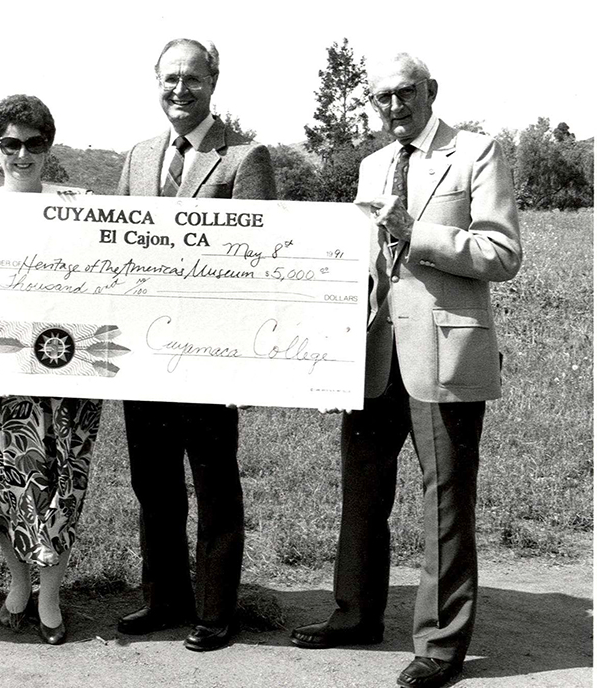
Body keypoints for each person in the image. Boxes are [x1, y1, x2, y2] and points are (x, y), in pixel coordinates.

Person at [289, 53, 522, 688]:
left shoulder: (476, 151)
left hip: (443, 356)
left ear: (431, 92)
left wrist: (416, 234)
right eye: (383, 96)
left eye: (406, 93)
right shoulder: (370, 165)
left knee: (443, 499)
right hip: (373, 355)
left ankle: (440, 647)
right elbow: (365, 267)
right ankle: (355, 615)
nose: (395, 106)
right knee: (361, 491)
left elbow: (502, 253)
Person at [115, 38, 276, 652]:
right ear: (155, 81)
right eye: (170, 78)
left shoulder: (244, 156)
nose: (180, 89)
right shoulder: (138, 155)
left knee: (212, 482)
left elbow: (264, 258)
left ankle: (214, 610)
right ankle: (163, 598)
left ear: (215, 81)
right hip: (143, 356)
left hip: (212, 356)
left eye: (192, 78)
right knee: (152, 483)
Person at [0, 94, 102, 646]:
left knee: (59, 486)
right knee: (2, 484)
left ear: (49, 149)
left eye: (34, 144)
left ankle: (50, 594)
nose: (22, 154)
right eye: (10, 144)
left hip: (67, 370)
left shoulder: (79, 208)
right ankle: (17, 583)